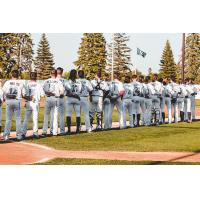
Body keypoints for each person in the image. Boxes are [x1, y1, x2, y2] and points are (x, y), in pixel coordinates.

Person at [2, 70, 25, 141]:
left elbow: (3, 92)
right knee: (18, 119)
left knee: (8, 119)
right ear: (17, 75)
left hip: (9, 101)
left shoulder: (7, 82)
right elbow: (23, 94)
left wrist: (4, 99)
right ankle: (19, 136)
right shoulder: (20, 83)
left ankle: (6, 136)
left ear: (11, 75)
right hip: (17, 101)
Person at [22, 72, 44, 139]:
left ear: (30, 77)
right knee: (35, 118)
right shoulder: (39, 84)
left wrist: (26, 101)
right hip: (35, 102)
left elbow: (24, 95)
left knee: (26, 119)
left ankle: (23, 133)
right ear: (36, 77)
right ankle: (35, 133)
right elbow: (42, 95)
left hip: (28, 102)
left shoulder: (27, 84)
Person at [42, 69, 64, 136]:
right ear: (56, 74)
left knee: (46, 116)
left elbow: (43, 91)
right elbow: (62, 92)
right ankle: (54, 132)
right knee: (55, 116)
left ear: (50, 73)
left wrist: (48, 93)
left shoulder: (46, 81)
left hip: (48, 98)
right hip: (55, 98)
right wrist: (57, 94)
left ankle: (44, 132)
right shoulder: (59, 81)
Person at [65, 69, 82, 133]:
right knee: (78, 114)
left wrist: (73, 95)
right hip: (77, 99)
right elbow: (80, 91)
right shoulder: (78, 82)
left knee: (68, 114)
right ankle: (77, 129)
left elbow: (67, 93)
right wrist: (76, 95)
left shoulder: (67, 82)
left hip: (70, 99)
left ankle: (69, 130)